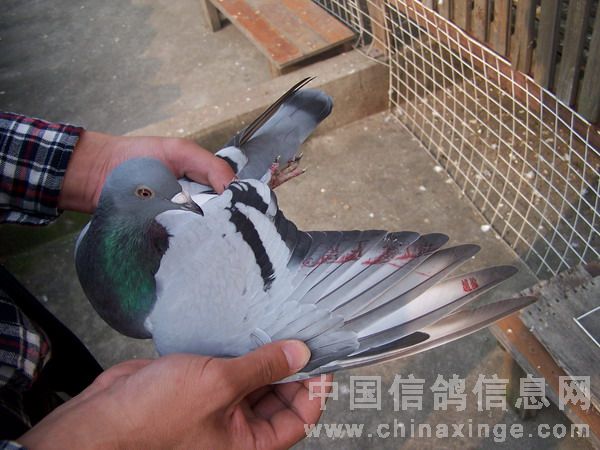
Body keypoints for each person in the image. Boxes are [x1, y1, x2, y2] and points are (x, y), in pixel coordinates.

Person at [0, 112, 330, 449]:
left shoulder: (100, 236)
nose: (183, 203)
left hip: (31, 354)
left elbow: (176, 199)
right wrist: (117, 438)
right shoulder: (164, 303)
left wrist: (89, 163)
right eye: (146, 193)